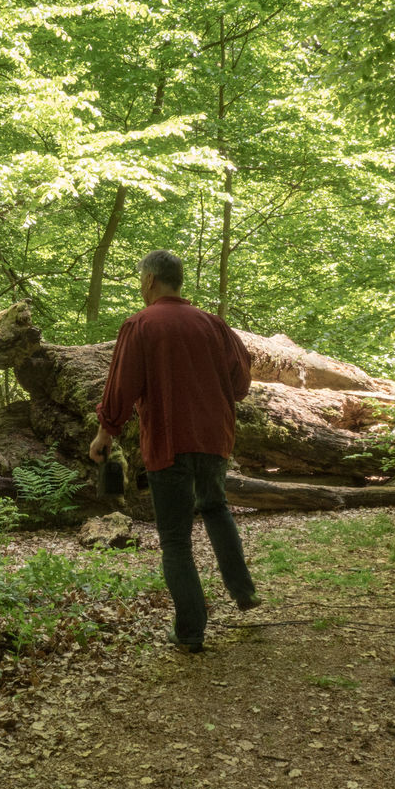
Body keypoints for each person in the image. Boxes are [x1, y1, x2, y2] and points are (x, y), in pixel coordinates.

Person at [89, 249, 260, 653]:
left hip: (168, 442)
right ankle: (244, 592)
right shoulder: (214, 325)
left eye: (140, 279)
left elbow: (121, 386)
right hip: (214, 439)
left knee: (176, 539)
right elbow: (240, 383)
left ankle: (190, 631)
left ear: (149, 281)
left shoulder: (140, 324)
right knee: (216, 508)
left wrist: (105, 432)